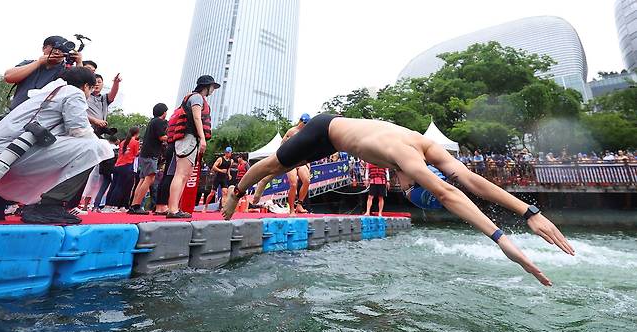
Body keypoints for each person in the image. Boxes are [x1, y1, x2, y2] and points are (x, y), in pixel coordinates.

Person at [222, 115, 575, 286]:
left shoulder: (426, 146)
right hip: (324, 129)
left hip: (342, 138)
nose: (404, 191)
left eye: (407, 194)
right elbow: (448, 192)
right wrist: (501, 240)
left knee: (293, 166)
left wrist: (529, 211)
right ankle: (237, 192)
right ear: (414, 182)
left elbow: (467, 179)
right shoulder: (408, 158)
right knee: (275, 163)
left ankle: (256, 185)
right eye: (410, 193)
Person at [0, 67, 112, 224]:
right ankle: (49, 206)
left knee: (80, 147)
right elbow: (79, 131)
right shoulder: (75, 93)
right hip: (6, 156)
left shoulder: (50, 91)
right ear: (85, 86)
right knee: (98, 147)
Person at [167, 75, 220, 218]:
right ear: (206, 86)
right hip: (188, 137)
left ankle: (175, 208)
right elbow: (197, 117)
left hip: (190, 139)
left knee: (185, 174)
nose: (213, 90)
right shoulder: (196, 98)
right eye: (212, 87)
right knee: (181, 173)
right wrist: (203, 138)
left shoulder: (196, 98)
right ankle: (172, 209)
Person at [251, 113, 312, 215]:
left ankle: (299, 205)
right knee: (293, 184)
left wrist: (308, 162)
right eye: (304, 123)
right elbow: (282, 146)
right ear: (300, 121)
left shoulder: (308, 133)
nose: (305, 125)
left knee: (307, 180)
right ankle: (292, 209)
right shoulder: (292, 131)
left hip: (300, 160)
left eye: (307, 124)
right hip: (290, 160)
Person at [4, 36, 83, 110]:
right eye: (54, 48)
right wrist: (39, 62)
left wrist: (79, 63)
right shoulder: (29, 63)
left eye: (62, 50)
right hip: (16, 112)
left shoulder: (67, 70)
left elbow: (81, 90)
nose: (57, 52)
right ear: (44, 48)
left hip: (45, 118)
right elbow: (9, 77)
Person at [129, 103, 169, 214]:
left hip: (145, 154)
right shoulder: (159, 122)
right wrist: (174, 137)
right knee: (149, 179)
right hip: (151, 154)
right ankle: (136, 205)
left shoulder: (152, 122)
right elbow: (162, 137)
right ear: (164, 112)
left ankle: (133, 205)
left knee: (142, 179)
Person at [104, 127, 140, 211]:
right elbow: (135, 154)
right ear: (137, 133)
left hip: (117, 165)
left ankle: (108, 205)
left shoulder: (123, 142)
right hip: (127, 165)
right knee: (121, 186)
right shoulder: (135, 142)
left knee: (114, 186)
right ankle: (114, 205)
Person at [203, 147, 233, 212]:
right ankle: (206, 206)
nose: (229, 154)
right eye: (227, 152)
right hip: (217, 177)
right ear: (225, 153)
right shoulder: (220, 159)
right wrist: (221, 170)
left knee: (225, 193)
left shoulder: (231, 161)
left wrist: (229, 174)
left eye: (230, 153)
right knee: (212, 193)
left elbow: (228, 169)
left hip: (224, 178)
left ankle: (223, 207)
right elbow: (214, 167)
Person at [93, 135, 119, 211]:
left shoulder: (104, 147)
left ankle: (96, 205)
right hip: (112, 170)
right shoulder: (116, 149)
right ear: (116, 140)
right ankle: (109, 205)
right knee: (113, 187)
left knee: (102, 187)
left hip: (103, 169)